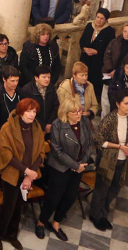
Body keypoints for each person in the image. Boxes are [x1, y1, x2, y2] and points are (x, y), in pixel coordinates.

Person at [0, 99, 45, 250]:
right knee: (8, 205)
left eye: (34, 112)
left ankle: (11, 235)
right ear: (21, 112)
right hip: (12, 173)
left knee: (19, 206)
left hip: (28, 173)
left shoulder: (36, 127)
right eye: (28, 111)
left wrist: (29, 175)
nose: (31, 115)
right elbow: (5, 153)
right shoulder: (8, 128)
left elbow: (40, 152)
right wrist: (26, 171)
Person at [35, 101, 93, 242]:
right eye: (75, 112)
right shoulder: (58, 125)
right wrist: (74, 165)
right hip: (60, 168)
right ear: (66, 113)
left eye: (80, 111)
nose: (79, 114)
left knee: (70, 197)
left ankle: (56, 223)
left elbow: (90, 143)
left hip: (78, 166)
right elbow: (57, 151)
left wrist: (81, 163)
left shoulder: (84, 121)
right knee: (54, 197)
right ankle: (41, 222)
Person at [89, 93, 128, 231]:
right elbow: (99, 141)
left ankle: (103, 214)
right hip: (108, 159)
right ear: (118, 104)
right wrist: (119, 147)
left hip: (124, 159)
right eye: (126, 103)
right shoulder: (109, 119)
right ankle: (95, 215)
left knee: (114, 189)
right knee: (102, 189)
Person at [78, 8, 115, 98]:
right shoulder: (89, 26)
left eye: (101, 18)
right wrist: (84, 48)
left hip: (98, 61)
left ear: (106, 20)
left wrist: (97, 52)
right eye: (97, 17)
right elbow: (82, 40)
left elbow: (110, 48)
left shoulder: (110, 31)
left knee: (94, 82)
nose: (98, 20)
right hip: (85, 58)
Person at [19, 65, 60, 134]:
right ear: (36, 78)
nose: (47, 79)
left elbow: (56, 106)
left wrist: (49, 124)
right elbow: (26, 111)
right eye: (44, 77)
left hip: (50, 126)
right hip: (32, 126)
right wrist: (43, 126)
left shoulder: (51, 88)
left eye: (49, 77)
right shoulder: (27, 90)